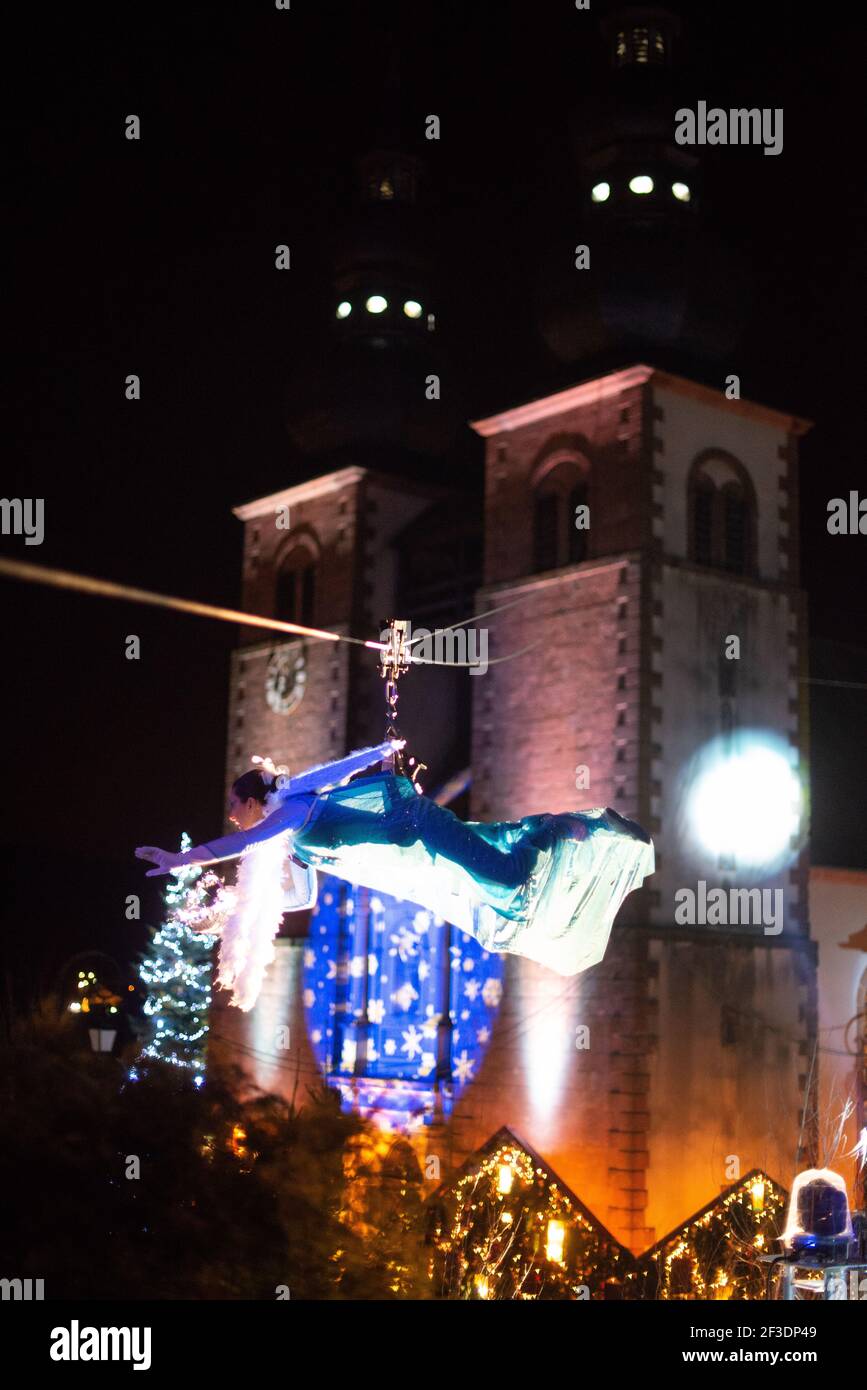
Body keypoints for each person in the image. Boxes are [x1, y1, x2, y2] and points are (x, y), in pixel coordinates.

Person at [136, 738, 655, 985]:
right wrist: (232, 910)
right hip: (414, 859)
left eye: (233, 807)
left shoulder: (288, 810)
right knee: (496, 899)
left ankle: (554, 828)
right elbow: (303, 896)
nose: (231, 818)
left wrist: (184, 858)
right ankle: (544, 834)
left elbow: (246, 839)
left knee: (508, 878)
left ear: (253, 802)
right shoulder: (290, 839)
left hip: (419, 825)